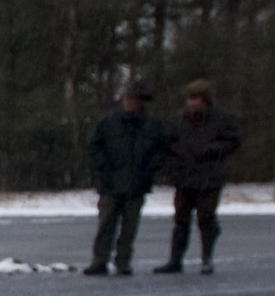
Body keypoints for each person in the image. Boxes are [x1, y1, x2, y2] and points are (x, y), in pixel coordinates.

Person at [155, 79, 242, 275]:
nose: (192, 103)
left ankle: (207, 258)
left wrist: (212, 151)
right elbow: (167, 145)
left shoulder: (222, 119)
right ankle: (175, 260)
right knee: (180, 219)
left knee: (206, 219)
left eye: (197, 99)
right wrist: (171, 165)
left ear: (206, 100)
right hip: (184, 177)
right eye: (190, 99)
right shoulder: (179, 120)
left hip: (209, 177)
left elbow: (233, 141)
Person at [85, 80, 167, 276]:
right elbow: (94, 146)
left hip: (137, 183)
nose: (128, 102)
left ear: (140, 102)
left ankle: (123, 261)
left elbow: (161, 150)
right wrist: (103, 167)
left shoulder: (152, 125)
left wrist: (150, 169)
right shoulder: (108, 123)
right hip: (110, 183)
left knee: (129, 227)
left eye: (132, 99)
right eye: (126, 98)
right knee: (106, 224)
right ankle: (100, 260)